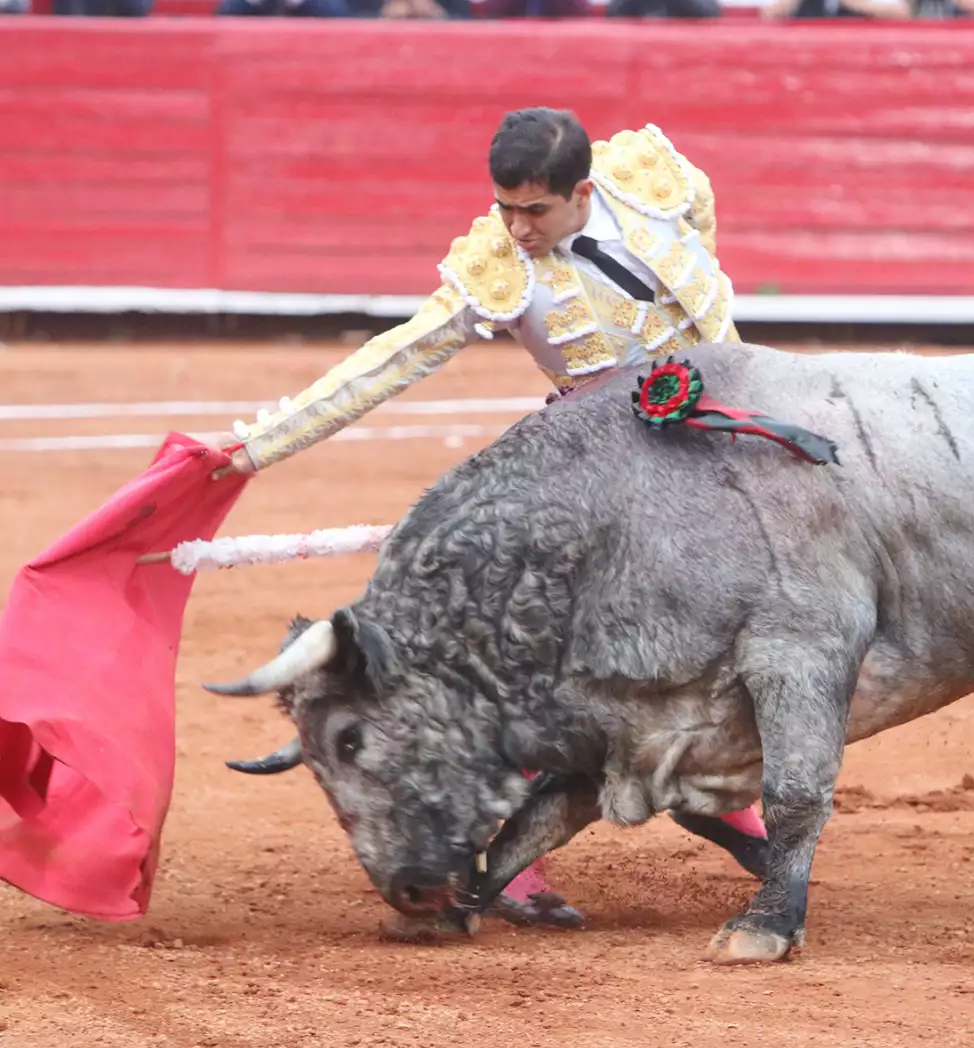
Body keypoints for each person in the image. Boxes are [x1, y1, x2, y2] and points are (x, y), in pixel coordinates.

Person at [219, 107, 766, 929]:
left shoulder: (654, 178)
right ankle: (518, 856)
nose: (516, 227)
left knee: (773, 622)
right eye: (505, 207)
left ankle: (718, 788)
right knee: (549, 659)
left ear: (583, 192)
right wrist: (254, 446)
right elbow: (394, 356)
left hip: (731, 437)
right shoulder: (498, 269)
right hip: (602, 471)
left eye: (535, 211)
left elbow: (701, 236)